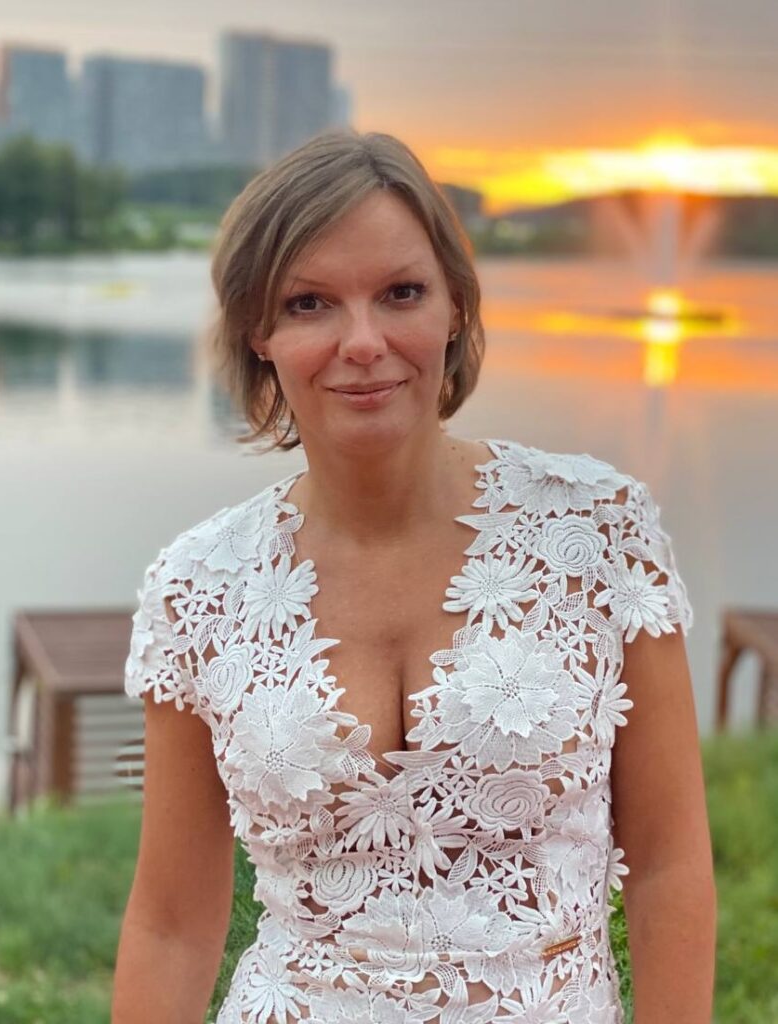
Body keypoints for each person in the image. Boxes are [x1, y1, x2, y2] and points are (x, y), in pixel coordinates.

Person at [112, 130, 716, 1024]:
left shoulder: (597, 533)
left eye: (401, 293)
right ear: (259, 332)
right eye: (310, 302)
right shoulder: (198, 587)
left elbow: (669, 865)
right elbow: (170, 924)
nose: (363, 342)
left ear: (456, 308)